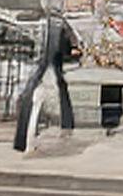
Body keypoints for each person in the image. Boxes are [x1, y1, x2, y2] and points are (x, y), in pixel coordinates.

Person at [12, 12, 80, 152]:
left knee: (37, 89)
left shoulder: (53, 21)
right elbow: (72, 42)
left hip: (43, 58)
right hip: (49, 56)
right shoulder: (58, 22)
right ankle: (66, 124)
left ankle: (25, 139)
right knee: (55, 83)